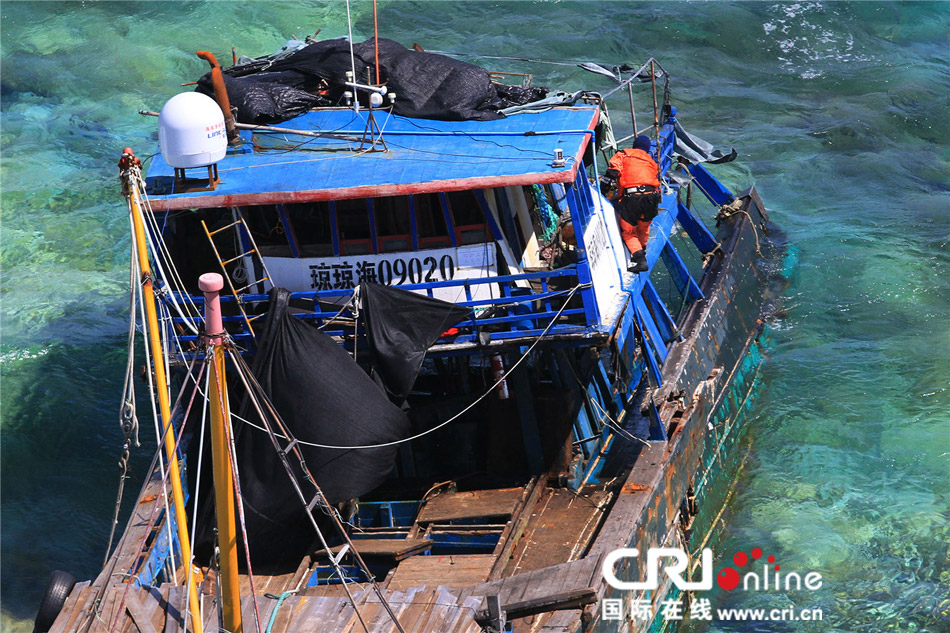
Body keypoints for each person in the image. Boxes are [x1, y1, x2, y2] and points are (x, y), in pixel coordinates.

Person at [601, 135, 660, 273]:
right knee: (644, 226)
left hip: (632, 197)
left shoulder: (623, 154)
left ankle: (640, 260)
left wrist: (603, 191)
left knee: (628, 231)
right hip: (651, 197)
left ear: (634, 145)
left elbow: (612, 173)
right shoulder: (651, 161)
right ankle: (642, 249)